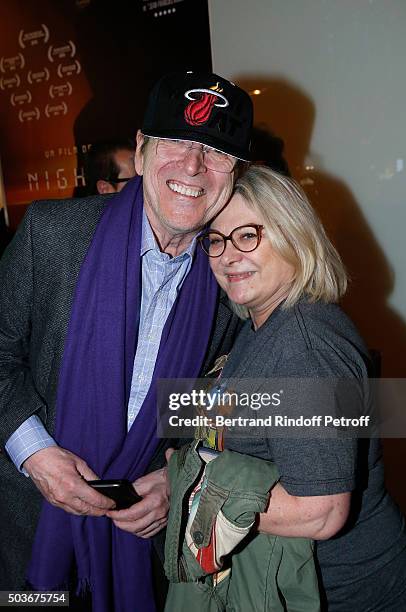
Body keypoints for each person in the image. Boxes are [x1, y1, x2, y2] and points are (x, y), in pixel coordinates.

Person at [0, 71, 253, 611]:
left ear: (236, 174)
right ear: (140, 151)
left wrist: (174, 477)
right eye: (177, 142)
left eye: (216, 151)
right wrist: (37, 454)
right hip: (26, 528)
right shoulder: (52, 234)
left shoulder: (235, 277)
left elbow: (220, 406)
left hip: (141, 543)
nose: (192, 166)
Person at [187, 165, 406, 611]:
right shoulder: (261, 323)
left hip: (345, 592)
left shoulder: (303, 344)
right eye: (216, 240)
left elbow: (321, 510)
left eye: (248, 235)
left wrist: (189, 495)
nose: (228, 255)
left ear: (294, 235)